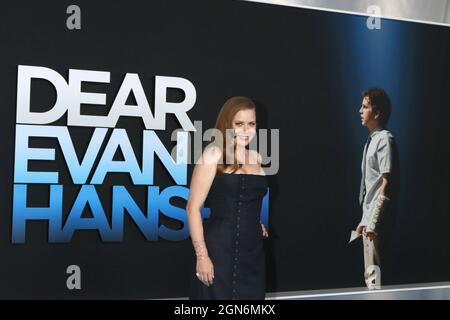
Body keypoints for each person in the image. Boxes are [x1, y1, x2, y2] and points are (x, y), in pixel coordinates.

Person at [187, 96, 269, 300]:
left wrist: (255, 221)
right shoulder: (212, 155)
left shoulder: (257, 158)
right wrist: (202, 256)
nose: (246, 130)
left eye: (251, 124)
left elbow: (248, 199)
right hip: (220, 250)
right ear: (226, 124)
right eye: (239, 124)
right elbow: (192, 208)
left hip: (253, 253)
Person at [356, 88, 398, 289]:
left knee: (375, 279)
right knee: (370, 278)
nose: (360, 110)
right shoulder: (370, 141)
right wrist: (364, 221)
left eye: (365, 106)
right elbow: (370, 187)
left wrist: (373, 222)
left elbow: (386, 183)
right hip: (369, 220)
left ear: (377, 112)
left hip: (377, 222)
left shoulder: (384, 139)